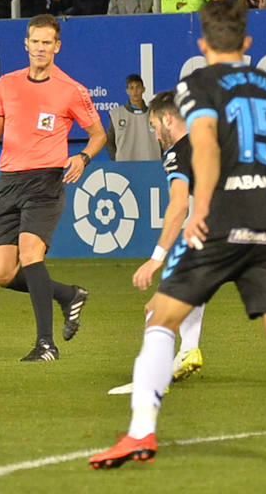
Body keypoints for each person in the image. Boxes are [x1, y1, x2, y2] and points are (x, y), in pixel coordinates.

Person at [89, 0, 266, 470]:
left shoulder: (197, 85)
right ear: (247, 43)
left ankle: (141, 434)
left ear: (202, 44)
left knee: (161, 320)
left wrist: (204, 205)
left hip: (221, 225)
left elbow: (206, 147)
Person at [0, 14, 107, 361]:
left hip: (45, 180)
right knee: (1, 273)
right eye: (36, 41)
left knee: (31, 253)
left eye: (48, 42)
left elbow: (98, 134)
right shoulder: (7, 83)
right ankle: (67, 294)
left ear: (57, 47)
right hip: (9, 181)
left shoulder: (71, 89)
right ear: (26, 44)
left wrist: (83, 158)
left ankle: (46, 344)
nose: (41, 48)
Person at [108, 89, 204, 397]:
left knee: (156, 309)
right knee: (189, 291)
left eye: (153, 124)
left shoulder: (177, 152)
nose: (153, 132)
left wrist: (157, 257)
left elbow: (179, 206)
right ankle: (189, 349)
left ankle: (150, 378)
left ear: (168, 118)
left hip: (209, 236)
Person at [106, 74, 160, 161]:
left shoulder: (154, 114)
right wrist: (117, 158)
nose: (135, 91)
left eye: (138, 87)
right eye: (131, 88)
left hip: (151, 165)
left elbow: (163, 140)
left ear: (143, 89)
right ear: (127, 91)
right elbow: (109, 141)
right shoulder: (117, 114)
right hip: (125, 166)